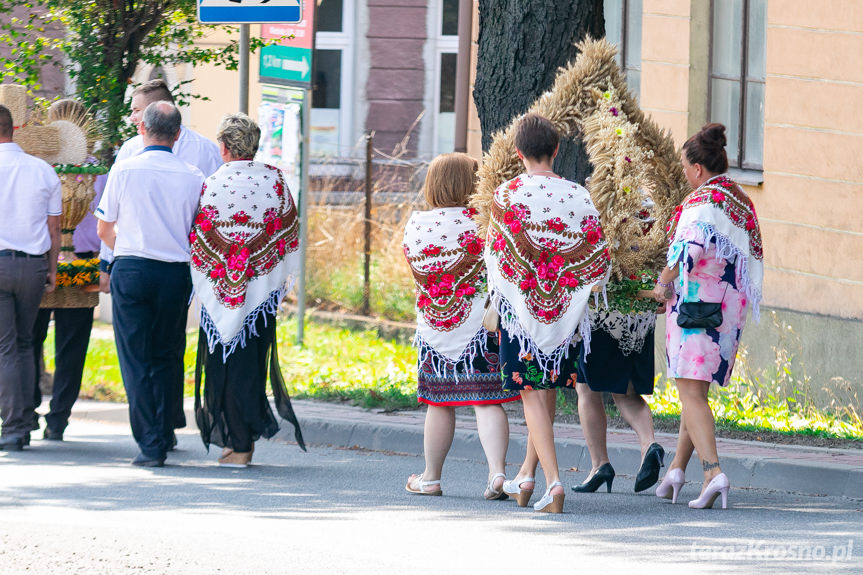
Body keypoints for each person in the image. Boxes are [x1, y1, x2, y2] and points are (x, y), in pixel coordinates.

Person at [484, 113, 610, 512]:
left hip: (521, 313)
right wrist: (569, 291)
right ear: (557, 149)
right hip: (565, 314)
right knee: (547, 388)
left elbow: (496, 258)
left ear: (518, 152)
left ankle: (554, 483)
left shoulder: (506, 195)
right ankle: (527, 475)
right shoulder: (579, 195)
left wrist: (522, 290)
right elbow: (597, 254)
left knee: (530, 393)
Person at [100, 79, 222, 440]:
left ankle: (151, 439)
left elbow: (106, 227)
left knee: (135, 355)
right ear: (176, 133)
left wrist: (122, 249)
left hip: (132, 266)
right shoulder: (194, 173)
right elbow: (204, 226)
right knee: (168, 348)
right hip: (175, 271)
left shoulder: (125, 165)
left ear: (143, 128)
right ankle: (166, 426)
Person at [652, 123, 763, 509]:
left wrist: (662, 284)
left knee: (691, 393)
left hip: (697, 309)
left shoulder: (703, 202)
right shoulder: (739, 199)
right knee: (694, 393)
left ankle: (713, 473)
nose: (684, 173)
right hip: (727, 312)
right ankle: (676, 472)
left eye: (685, 166)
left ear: (698, 168)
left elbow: (687, 251)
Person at [403, 153, 520, 498]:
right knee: (486, 402)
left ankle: (431, 477)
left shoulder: (416, 226)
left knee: (439, 404)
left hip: (434, 326)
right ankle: (497, 474)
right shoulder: (485, 224)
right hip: (481, 326)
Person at [191, 113, 305, 468]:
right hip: (259, 292)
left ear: (223, 147)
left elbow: (198, 236)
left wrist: (220, 275)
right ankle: (242, 441)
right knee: (252, 363)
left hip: (220, 290)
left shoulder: (212, 183)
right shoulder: (274, 181)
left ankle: (237, 443)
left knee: (222, 364)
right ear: (253, 146)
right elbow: (288, 233)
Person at [570, 203, 664, 494]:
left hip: (602, 310)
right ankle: (649, 444)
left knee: (586, 388)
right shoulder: (649, 208)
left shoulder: (593, 202)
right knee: (627, 393)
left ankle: (600, 464)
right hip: (639, 312)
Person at [32, 99, 103, 441]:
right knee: (72, 345)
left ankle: (28, 410)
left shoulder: (39, 166)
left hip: (41, 259)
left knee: (30, 339)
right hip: (86, 261)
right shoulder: (98, 172)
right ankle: (58, 418)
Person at [0, 104, 62, 451]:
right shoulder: (42, 170)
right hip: (33, 266)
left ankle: (13, 428)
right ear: (14, 129)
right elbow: (54, 228)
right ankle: (22, 422)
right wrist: (51, 270)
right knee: (25, 343)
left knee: (7, 347)